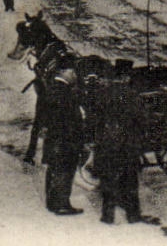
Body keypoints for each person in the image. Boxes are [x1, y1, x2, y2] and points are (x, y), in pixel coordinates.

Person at [92, 61, 151, 224]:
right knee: (130, 179)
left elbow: (95, 117)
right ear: (126, 77)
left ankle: (107, 215)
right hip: (127, 144)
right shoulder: (132, 95)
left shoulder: (102, 93)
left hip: (107, 143)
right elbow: (142, 118)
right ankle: (132, 215)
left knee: (108, 179)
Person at [41, 68, 86, 215]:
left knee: (55, 171)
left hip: (56, 140)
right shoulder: (63, 92)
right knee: (64, 172)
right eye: (72, 72)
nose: (75, 75)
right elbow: (68, 119)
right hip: (65, 140)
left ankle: (53, 203)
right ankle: (61, 205)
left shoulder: (54, 88)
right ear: (63, 73)